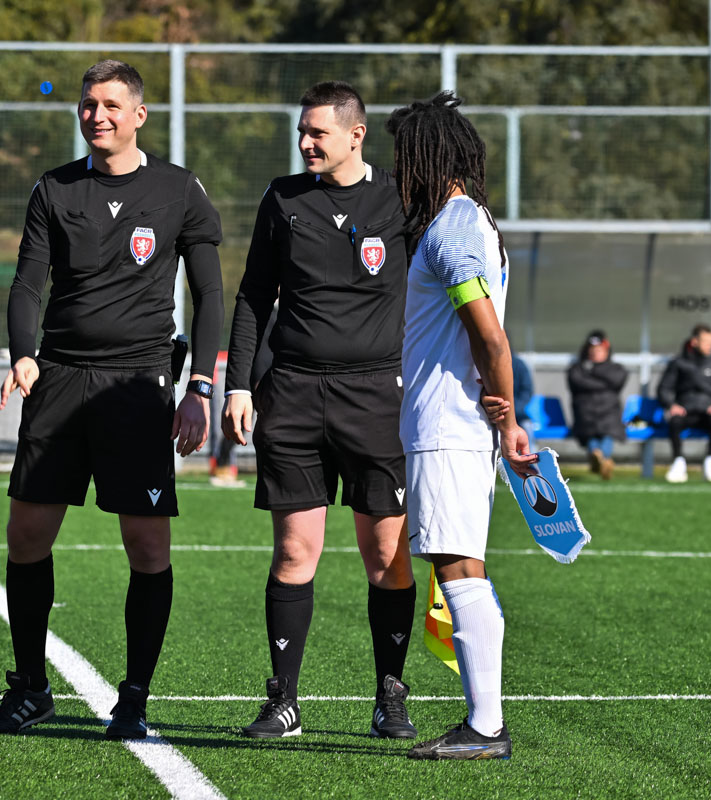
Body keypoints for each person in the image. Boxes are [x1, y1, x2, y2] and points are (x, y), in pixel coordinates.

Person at [0, 59, 224, 740]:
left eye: (112, 105)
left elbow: (210, 296)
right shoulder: (54, 188)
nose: (98, 115)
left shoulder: (179, 190)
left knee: (146, 546)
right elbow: (28, 283)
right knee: (27, 536)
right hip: (59, 378)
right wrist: (22, 353)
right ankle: (31, 688)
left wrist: (200, 387)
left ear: (138, 114)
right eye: (89, 104)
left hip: (137, 386)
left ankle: (135, 698)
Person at [222, 81, 418, 740]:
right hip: (295, 395)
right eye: (301, 132)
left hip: (377, 397)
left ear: (355, 135)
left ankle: (390, 694)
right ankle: (284, 700)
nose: (306, 143)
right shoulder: (282, 198)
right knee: (293, 552)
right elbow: (253, 295)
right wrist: (239, 385)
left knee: (386, 555)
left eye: (318, 133)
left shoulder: (400, 198)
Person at [385, 91, 537, 760]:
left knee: (459, 570)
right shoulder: (471, 221)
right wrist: (503, 411)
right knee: (462, 566)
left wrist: (508, 415)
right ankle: (484, 722)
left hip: (447, 426)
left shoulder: (450, 229)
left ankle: (485, 726)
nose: (398, 169)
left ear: (430, 157)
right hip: (453, 424)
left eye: (404, 156)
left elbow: (490, 335)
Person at [567, 330, 626, 480]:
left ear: (607, 351)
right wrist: (604, 384)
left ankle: (597, 457)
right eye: (593, 350)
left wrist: (593, 370)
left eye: (599, 350)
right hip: (585, 412)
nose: (595, 353)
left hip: (609, 411)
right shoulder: (577, 368)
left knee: (608, 432)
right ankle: (603, 459)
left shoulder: (615, 368)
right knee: (590, 432)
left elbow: (618, 380)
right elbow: (577, 382)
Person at [658, 324, 711, 483]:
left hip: (707, 412)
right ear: (695, 342)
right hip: (685, 410)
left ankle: (710, 461)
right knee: (674, 422)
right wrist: (671, 405)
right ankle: (678, 462)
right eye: (706, 342)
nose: (709, 346)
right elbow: (664, 388)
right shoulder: (678, 363)